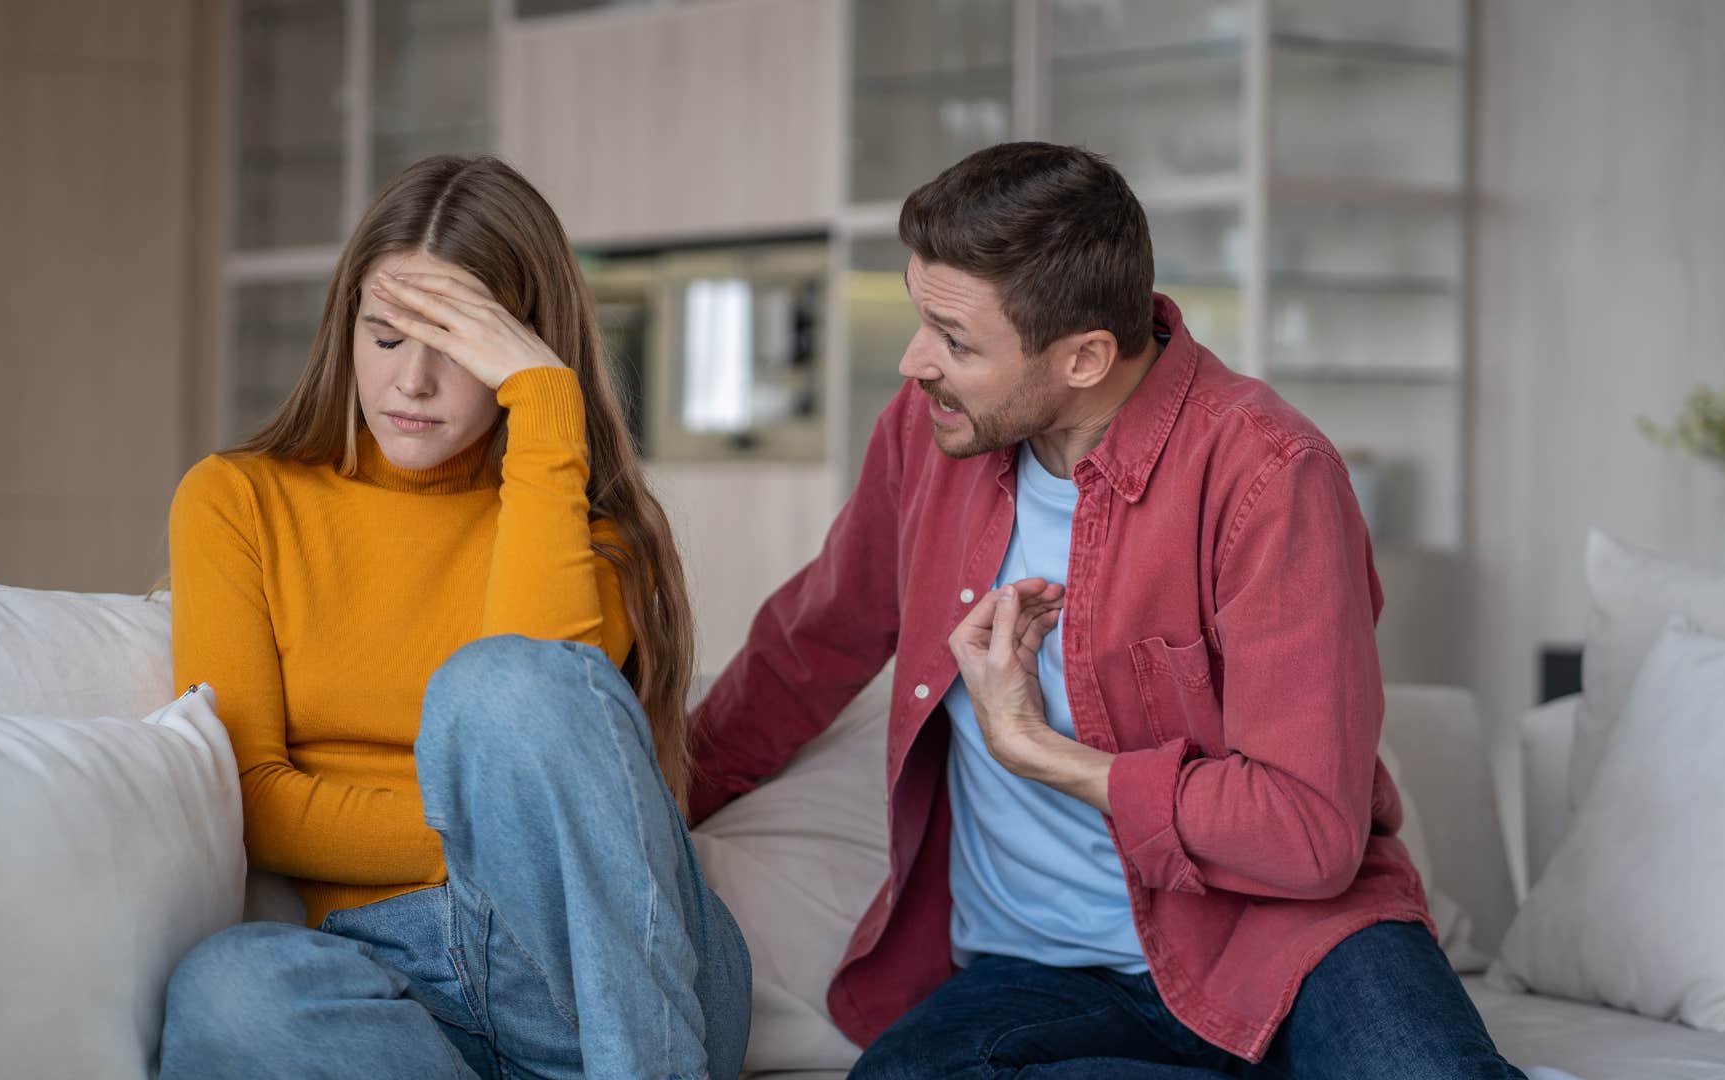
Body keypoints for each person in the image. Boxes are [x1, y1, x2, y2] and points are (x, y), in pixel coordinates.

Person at [688, 142, 1525, 1078]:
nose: (914, 360)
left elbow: (1307, 835)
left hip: (1287, 943)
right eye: (922, 319)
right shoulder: (926, 438)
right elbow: (810, 646)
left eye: (955, 340)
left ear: (1086, 355)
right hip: (1042, 973)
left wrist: (1044, 753)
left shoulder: (1271, 477)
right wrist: (645, 801)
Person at [158, 154, 750, 1079]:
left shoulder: (591, 535)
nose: (415, 382)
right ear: (344, 329)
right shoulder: (238, 500)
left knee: (501, 681)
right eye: (388, 336)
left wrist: (547, 405)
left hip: (603, 978)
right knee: (228, 990)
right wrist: (499, 831)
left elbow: (537, 704)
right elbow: (255, 799)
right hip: (392, 968)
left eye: (464, 348)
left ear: (525, 354)